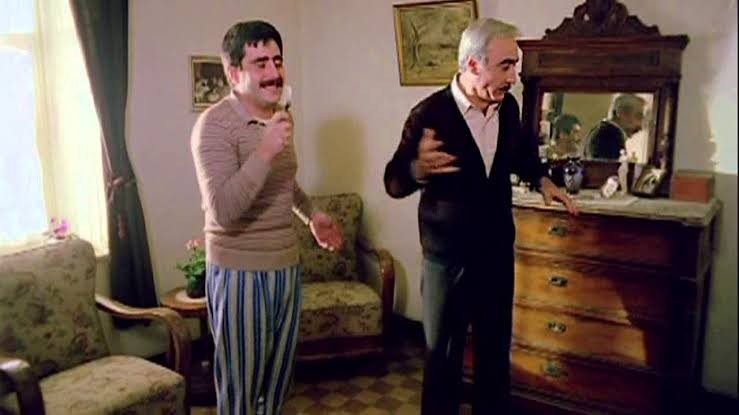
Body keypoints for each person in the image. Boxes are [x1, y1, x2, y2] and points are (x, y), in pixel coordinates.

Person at [383, 18, 577, 415]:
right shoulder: (430, 114)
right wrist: (418, 168)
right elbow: (393, 181)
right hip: (447, 260)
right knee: (443, 362)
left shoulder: (509, 107)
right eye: (506, 65)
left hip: (496, 253)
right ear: (473, 65)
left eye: (515, 65)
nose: (514, 76)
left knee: (494, 357)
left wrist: (543, 180)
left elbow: (521, 154)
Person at [190, 20, 343, 415]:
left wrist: (311, 215)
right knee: (242, 390)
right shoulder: (213, 126)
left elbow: (282, 183)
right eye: (260, 63)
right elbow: (223, 210)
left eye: (278, 61)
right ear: (233, 73)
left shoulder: (279, 116)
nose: (275, 73)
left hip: (286, 266)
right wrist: (265, 151)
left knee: (278, 385)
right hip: (239, 273)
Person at [586, 93, 646, 160]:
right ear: (621, 113)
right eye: (638, 117)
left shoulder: (602, 131)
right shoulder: (610, 135)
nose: (640, 126)